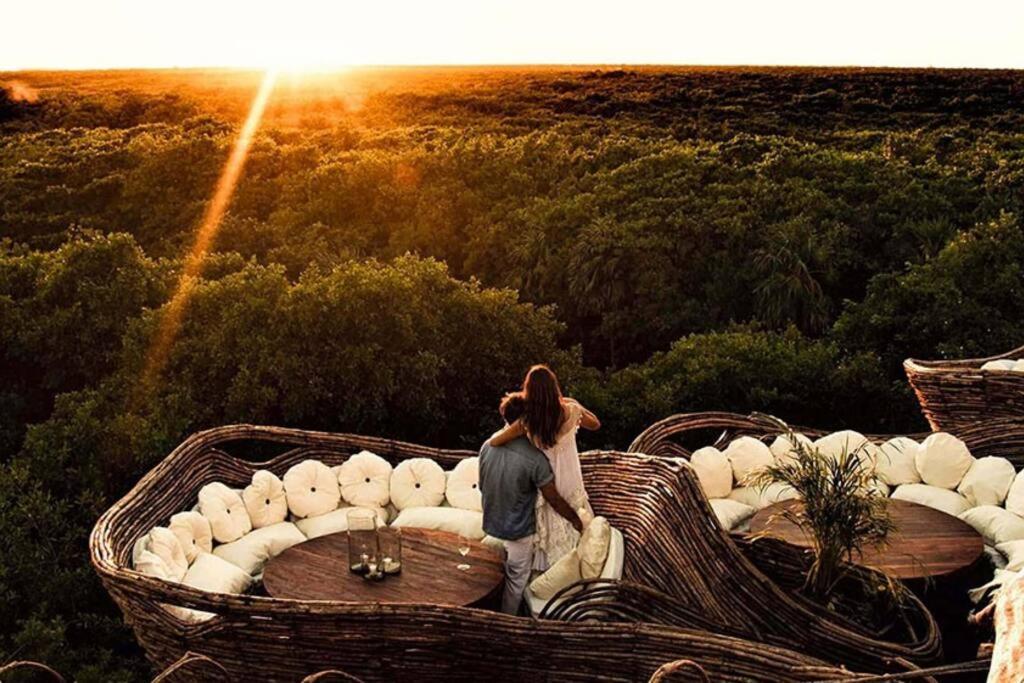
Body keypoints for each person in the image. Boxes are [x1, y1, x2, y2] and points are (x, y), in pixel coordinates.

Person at [488, 364, 600, 568]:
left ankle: (546, 579)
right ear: (554, 388)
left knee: (546, 540)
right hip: (570, 483)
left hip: (544, 485)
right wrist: (576, 404)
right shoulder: (572, 411)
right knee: (577, 535)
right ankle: (574, 573)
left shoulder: (527, 422)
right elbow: (595, 424)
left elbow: (495, 442)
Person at [479, 394, 582, 614]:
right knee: (517, 581)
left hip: (492, 522)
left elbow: (482, 484)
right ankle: (507, 622)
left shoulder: (488, 446)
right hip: (518, 531)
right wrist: (575, 519)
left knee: (494, 573)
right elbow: (553, 499)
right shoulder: (535, 458)